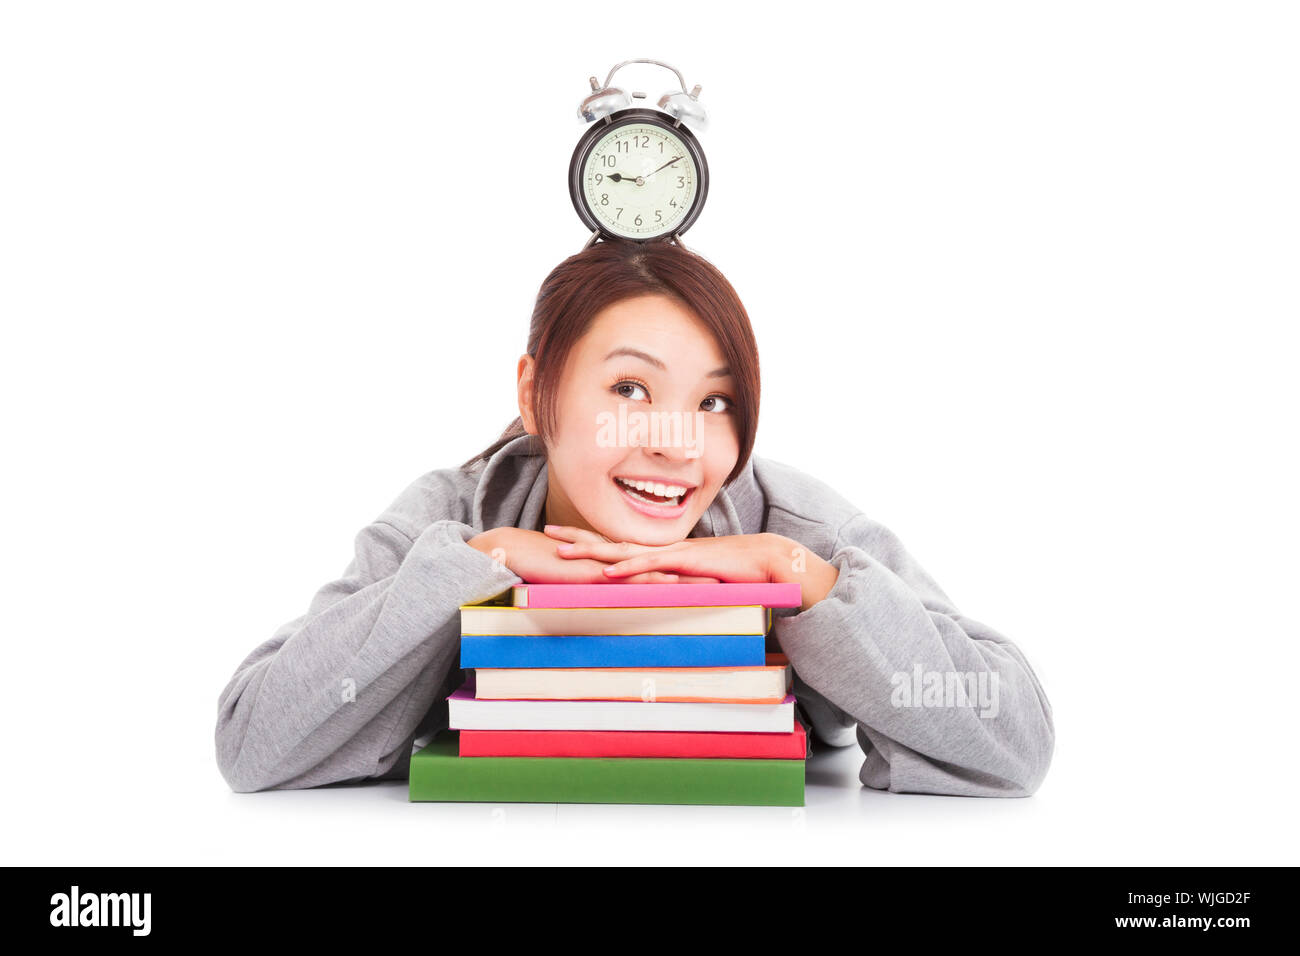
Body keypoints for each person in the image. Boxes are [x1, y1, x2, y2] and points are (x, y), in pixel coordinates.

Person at [214, 239, 1055, 797]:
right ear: (532, 393)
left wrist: (812, 585)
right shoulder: (454, 517)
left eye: (714, 400)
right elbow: (253, 740)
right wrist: (479, 565)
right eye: (629, 390)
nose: (677, 446)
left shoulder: (791, 527)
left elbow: (1016, 736)